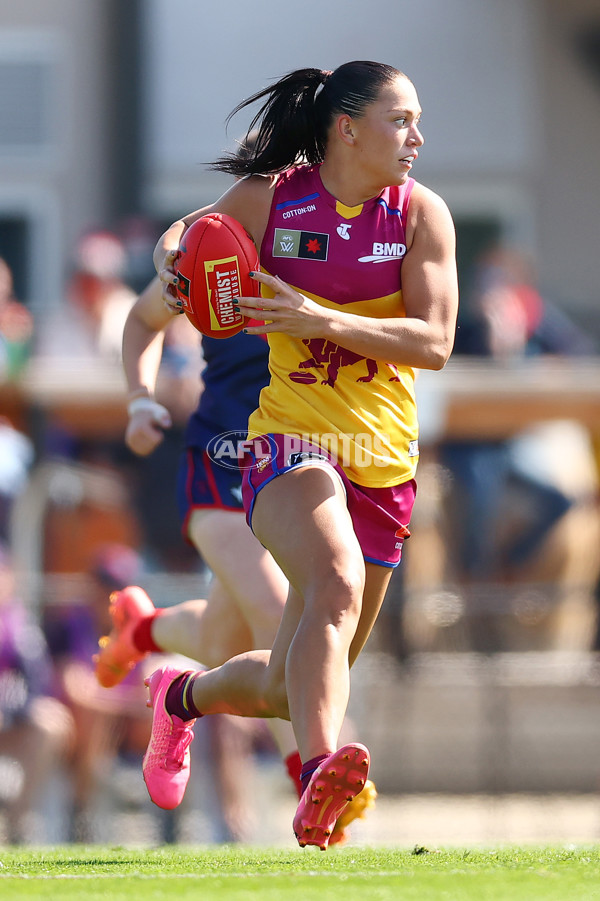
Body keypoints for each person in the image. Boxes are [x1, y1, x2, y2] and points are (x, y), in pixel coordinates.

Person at [136, 60, 457, 850]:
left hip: (382, 457)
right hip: (290, 438)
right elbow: (185, 235)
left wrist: (317, 316)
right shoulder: (275, 197)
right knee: (335, 578)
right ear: (346, 128)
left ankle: (181, 696)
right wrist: (172, 266)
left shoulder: (421, 215)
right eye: (401, 119)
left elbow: (436, 342)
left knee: (289, 684)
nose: (417, 137)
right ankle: (318, 776)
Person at [96, 272, 376, 844]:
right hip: (223, 469)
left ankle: (147, 634)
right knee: (282, 617)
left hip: (305, 470)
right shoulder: (219, 248)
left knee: (227, 643)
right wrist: (139, 400)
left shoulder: (335, 232)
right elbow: (145, 314)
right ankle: (311, 772)